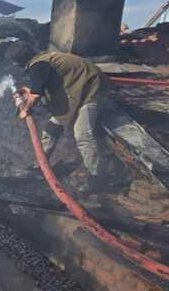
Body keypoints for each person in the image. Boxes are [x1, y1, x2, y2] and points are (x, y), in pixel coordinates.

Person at [7, 41, 110, 187]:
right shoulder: (41, 60)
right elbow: (44, 85)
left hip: (90, 91)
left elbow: (37, 95)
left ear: (19, 61)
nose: (14, 64)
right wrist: (30, 91)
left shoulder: (37, 65)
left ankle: (97, 178)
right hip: (77, 91)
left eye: (14, 61)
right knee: (51, 130)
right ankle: (40, 165)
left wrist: (25, 110)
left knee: (82, 135)